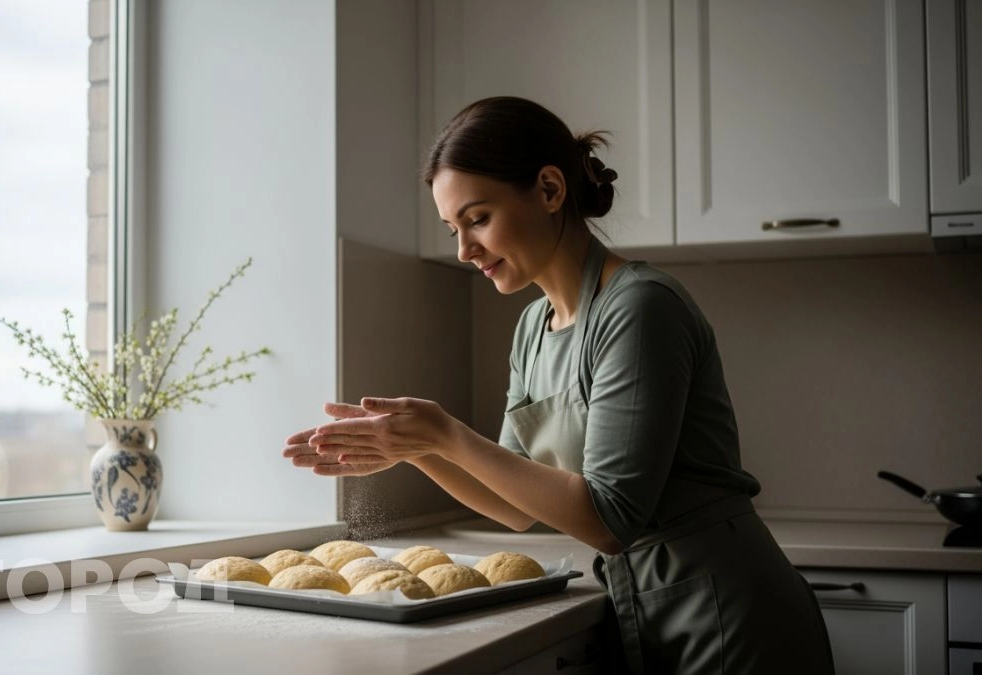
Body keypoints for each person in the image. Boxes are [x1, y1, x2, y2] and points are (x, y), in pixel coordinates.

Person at [282, 96, 834, 675]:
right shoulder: (533, 328)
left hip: (730, 613)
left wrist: (447, 435)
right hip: (647, 607)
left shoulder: (640, 307)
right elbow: (513, 507)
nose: (464, 250)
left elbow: (609, 520)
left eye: (477, 219)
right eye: (453, 229)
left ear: (549, 190)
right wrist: (416, 448)